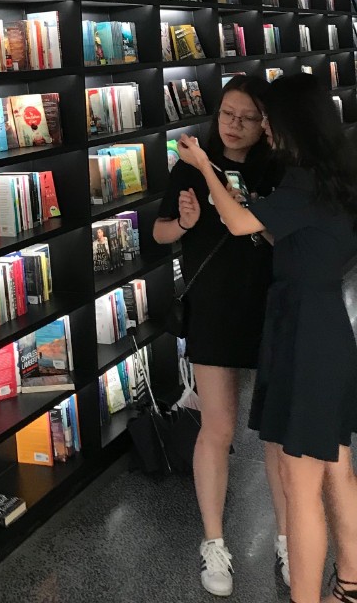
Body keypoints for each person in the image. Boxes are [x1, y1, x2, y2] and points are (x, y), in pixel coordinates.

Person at [178, 74, 357, 603]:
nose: (265, 131)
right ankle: (349, 585)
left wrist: (206, 170)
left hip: (306, 330)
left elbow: (237, 225)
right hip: (329, 325)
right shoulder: (335, 174)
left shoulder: (301, 180)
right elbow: (289, 233)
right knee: (336, 468)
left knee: (301, 487)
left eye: (267, 119)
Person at [154, 74, 288, 596]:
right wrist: (184, 225)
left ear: (264, 124)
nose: (233, 126)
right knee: (218, 428)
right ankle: (213, 542)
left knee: (276, 436)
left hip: (270, 305)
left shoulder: (275, 168)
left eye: (246, 117)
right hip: (212, 308)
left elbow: (269, 230)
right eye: (226, 114)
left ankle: (285, 535)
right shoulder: (188, 165)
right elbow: (161, 232)